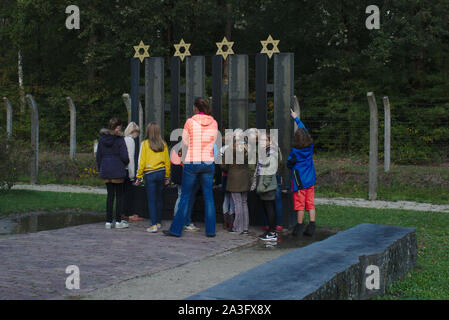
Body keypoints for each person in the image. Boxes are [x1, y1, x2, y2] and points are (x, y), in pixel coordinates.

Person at [163, 97, 218, 238]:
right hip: (208, 162)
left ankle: (176, 230)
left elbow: (185, 143)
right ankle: (210, 231)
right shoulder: (214, 123)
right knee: (209, 197)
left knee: (185, 197)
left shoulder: (190, 122)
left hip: (192, 161)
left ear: (195, 108)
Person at [135, 122, 170, 233]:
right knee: (159, 198)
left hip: (150, 173)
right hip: (161, 172)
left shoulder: (145, 144)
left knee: (151, 200)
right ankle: (158, 222)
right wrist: (167, 176)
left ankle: (153, 224)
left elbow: (141, 161)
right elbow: (167, 161)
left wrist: (139, 176)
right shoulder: (163, 144)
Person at [287, 109, 317, 237]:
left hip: (299, 181)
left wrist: (292, 163)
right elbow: (304, 129)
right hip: (310, 179)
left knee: (300, 204)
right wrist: (296, 118)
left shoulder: (295, 152)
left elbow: (289, 164)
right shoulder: (310, 147)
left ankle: (299, 227)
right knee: (310, 203)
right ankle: (312, 225)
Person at [96, 117, 130, 229]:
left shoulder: (102, 139)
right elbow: (125, 156)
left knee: (110, 195)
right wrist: (125, 163)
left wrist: (101, 167)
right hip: (117, 169)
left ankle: (108, 221)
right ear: (118, 127)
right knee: (119, 195)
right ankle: (118, 221)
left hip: (106, 168)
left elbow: (98, 156)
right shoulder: (120, 139)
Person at [221, 131, 250, 234]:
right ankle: (245, 227)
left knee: (237, 204)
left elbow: (224, 166)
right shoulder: (248, 149)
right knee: (244, 203)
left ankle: (237, 228)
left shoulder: (229, 150)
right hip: (245, 179)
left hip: (234, 179)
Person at [252, 132, 279, 241]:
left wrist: (263, 185)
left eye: (265, 140)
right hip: (263, 184)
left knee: (269, 208)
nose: (262, 142)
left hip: (267, 186)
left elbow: (270, 171)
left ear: (270, 142)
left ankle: (272, 232)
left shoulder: (271, 153)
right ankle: (271, 231)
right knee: (267, 207)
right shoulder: (265, 152)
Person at [170, 147, 200, 232]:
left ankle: (178, 220)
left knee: (181, 196)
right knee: (185, 198)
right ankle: (183, 221)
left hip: (179, 175)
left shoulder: (178, 147)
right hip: (186, 175)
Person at [123, 122, 143, 222]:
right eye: (137, 133)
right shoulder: (131, 141)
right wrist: (132, 174)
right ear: (134, 132)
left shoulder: (124, 139)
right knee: (129, 193)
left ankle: (124, 213)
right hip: (127, 170)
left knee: (123, 193)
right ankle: (129, 214)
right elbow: (130, 157)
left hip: (122, 170)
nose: (137, 136)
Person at [220, 131, 235, 229]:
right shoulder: (234, 149)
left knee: (226, 198)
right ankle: (231, 221)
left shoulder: (222, 149)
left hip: (225, 175)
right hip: (232, 176)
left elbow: (221, 165)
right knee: (232, 199)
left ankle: (226, 222)